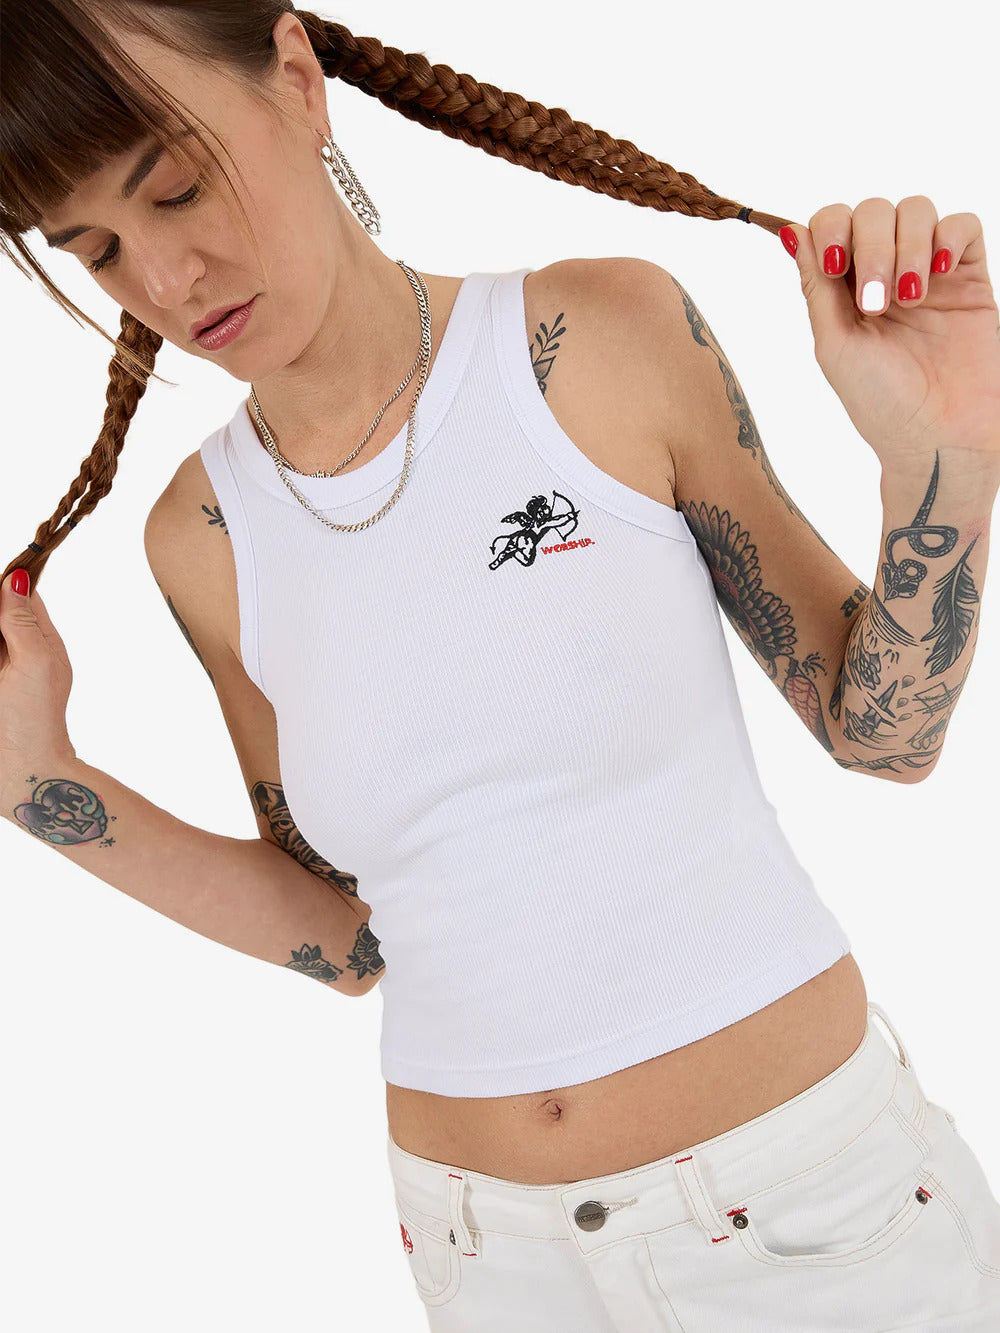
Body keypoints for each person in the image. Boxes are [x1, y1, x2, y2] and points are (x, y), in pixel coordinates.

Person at [3, 4, 1000, 1329]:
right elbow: (349, 935)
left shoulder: (598, 338)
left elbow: (886, 735)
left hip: (811, 1222)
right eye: (98, 252)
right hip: (485, 1256)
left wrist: (945, 462)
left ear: (296, 79)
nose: (169, 279)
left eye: (178, 186)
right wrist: (37, 780)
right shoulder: (199, 536)